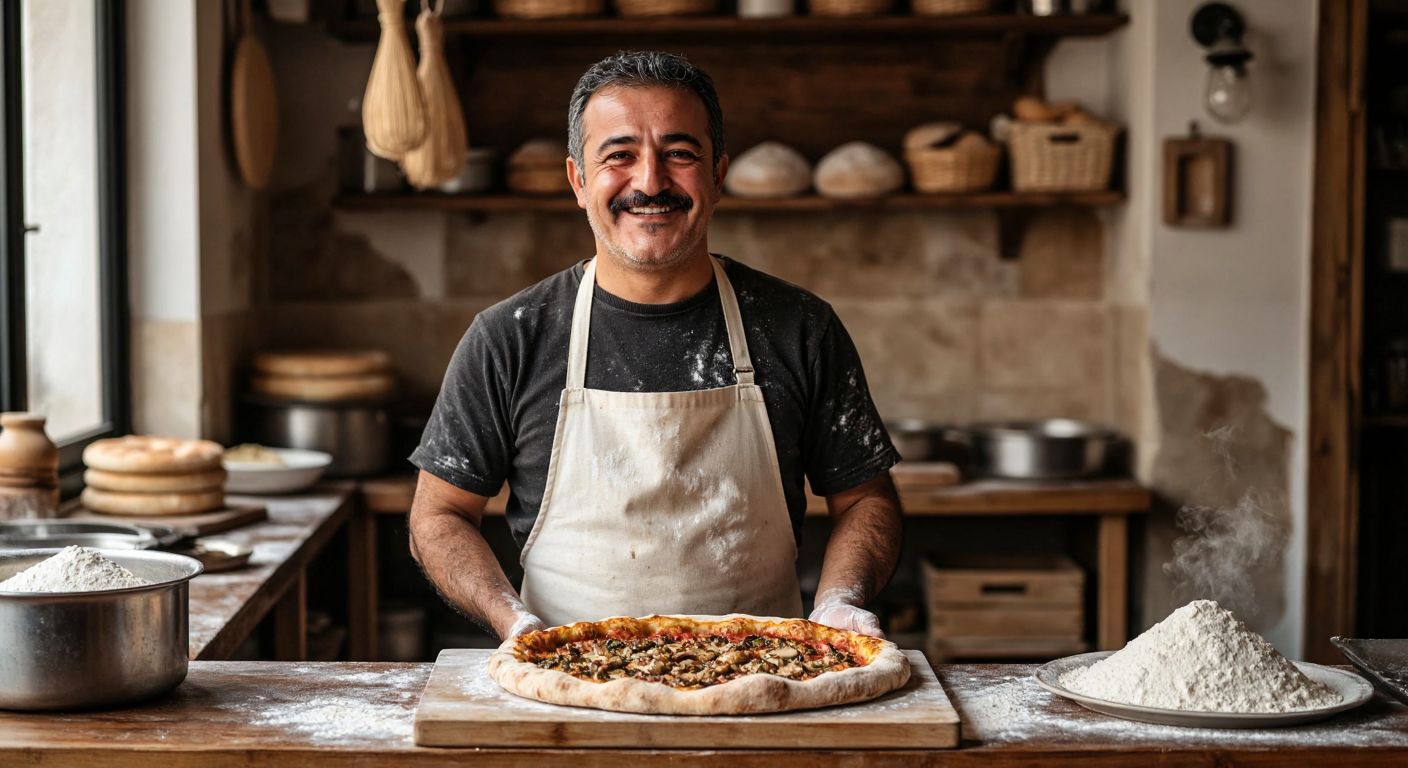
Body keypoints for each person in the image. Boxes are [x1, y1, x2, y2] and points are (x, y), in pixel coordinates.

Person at [408, 50, 902, 642]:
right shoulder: (511, 336)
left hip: (765, 683)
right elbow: (439, 514)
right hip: (566, 680)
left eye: (679, 154)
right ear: (578, 180)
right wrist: (509, 618)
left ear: (718, 175)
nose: (650, 182)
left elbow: (866, 500)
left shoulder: (798, 327)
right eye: (619, 155)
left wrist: (838, 604)